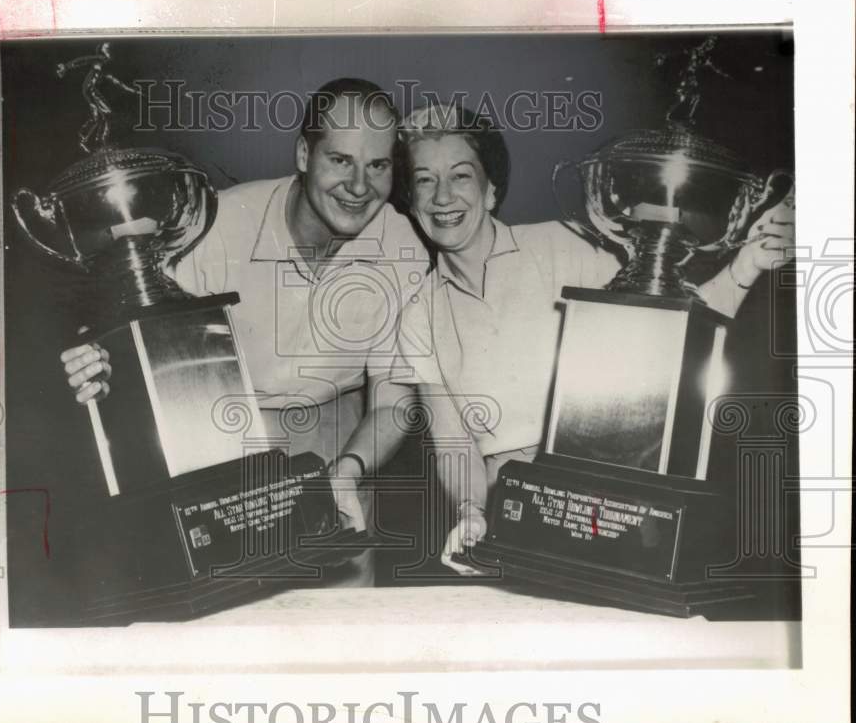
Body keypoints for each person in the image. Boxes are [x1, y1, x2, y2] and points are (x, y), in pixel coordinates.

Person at [388, 102, 797, 575]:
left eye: (460, 175)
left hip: (613, 506)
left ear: (491, 188)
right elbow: (453, 445)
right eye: (424, 179)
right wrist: (470, 514)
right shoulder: (419, 313)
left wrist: (746, 264)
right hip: (514, 519)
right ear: (410, 200)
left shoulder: (563, 245)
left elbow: (671, 340)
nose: (442, 196)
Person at [60, 78, 430, 586]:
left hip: (344, 443)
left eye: (378, 165)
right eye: (340, 160)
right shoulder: (218, 222)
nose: (359, 185)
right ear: (304, 153)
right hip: (225, 436)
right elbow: (149, 344)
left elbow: (391, 404)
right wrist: (100, 363)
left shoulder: (403, 245)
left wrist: (347, 473)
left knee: (343, 623)